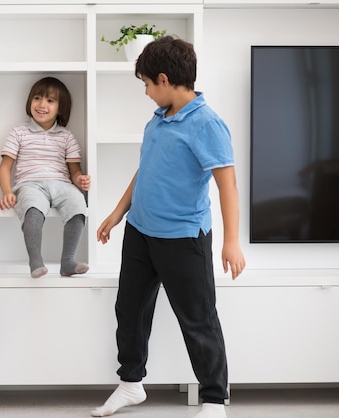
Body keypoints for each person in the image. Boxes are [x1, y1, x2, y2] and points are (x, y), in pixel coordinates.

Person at [91, 36, 246, 418]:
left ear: (164, 79)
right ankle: (130, 385)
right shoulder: (159, 119)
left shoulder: (208, 124)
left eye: (145, 84)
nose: (145, 92)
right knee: (130, 311)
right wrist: (117, 213)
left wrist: (231, 242)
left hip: (183, 240)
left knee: (197, 319)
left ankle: (213, 400)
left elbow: (228, 184)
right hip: (141, 233)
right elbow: (147, 169)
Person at [0, 76, 91, 278]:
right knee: (33, 208)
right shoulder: (19, 133)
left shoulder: (67, 136)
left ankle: (67, 261)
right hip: (30, 184)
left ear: (61, 108)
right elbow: (5, 167)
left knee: (78, 203)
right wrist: (7, 191)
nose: (42, 105)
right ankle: (35, 261)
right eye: (37, 98)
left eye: (50, 101)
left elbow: (74, 170)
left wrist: (80, 180)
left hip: (62, 184)